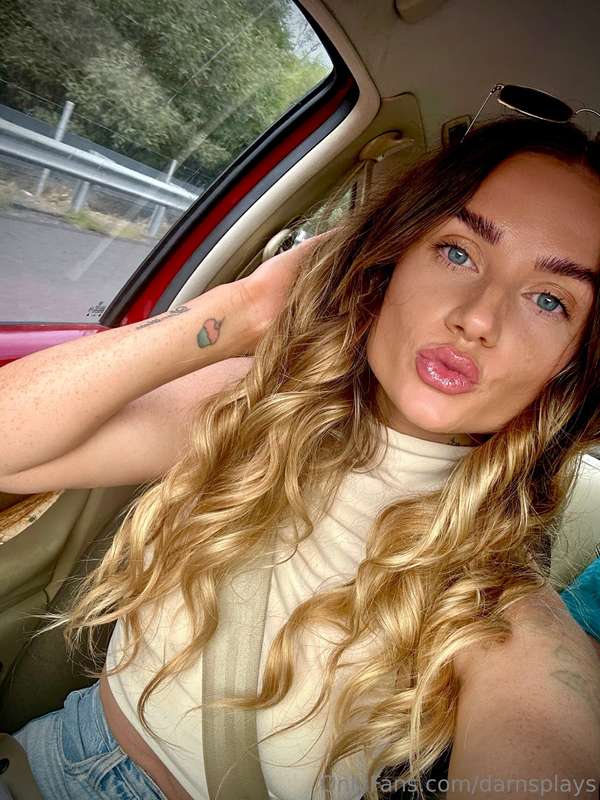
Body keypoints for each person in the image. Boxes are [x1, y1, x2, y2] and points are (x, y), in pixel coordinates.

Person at [7, 113, 600, 800]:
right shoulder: (254, 404)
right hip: (53, 762)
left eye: (549, 300)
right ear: (391, 259)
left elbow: (544, 725)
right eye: (457, 253)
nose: (478, 318)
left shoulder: (499, 592)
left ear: (572, 364)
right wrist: (247, 309)